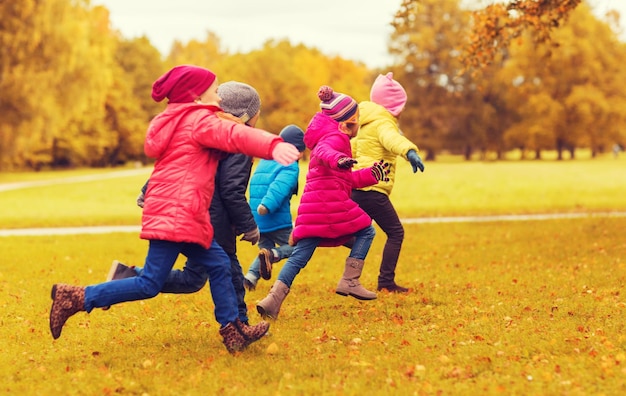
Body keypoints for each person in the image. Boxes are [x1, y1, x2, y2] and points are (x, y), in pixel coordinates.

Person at [48, 65, 300, 354]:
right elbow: (237, 136)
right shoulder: (200, 121)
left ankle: (233, 330)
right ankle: (77, 297)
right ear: (196, 96)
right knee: (150, 283)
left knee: (217, 265)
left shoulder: (182, 121)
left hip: (185, 214)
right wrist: (273, 145)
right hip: (178, 215)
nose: (219, 96)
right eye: (214, 90)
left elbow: (178, 161)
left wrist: (148, 192)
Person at [109, 81, 264, 326]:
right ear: (246, 116)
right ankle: (239, 324)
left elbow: (178, 162)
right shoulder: (239, 140)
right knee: (229, 269)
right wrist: (249, 226)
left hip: (196, 212)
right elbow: (231, 190)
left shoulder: (202, 128)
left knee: (193, 279)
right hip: (212, 218)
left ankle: (126, 277)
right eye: (257, 113)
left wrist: (147, 191)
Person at [256, 85, 390, 320]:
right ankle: (350, 280)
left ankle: (272, 300)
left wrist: (372, 174)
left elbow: (346, 180)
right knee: (367, 231)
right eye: (356, 119)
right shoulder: (334, 139)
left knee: (299, 255)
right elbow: (327, 154)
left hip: (315, 208)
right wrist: (339, 159)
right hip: (330, 205)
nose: (358, 123)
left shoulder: (328, 138)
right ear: (344, 122)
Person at [350, 72, 425, 293]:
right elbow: (392, 140)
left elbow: (353, 148)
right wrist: (409, 151)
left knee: (358, 233)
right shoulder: (383, 123)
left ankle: (350, 278)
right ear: (395, 107)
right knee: (395, 232)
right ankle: (385, 282)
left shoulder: (364, 123)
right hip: (373, 190)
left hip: (357, 188)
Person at [243, 124, 306, 291]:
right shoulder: (289, 164)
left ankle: (250, 277)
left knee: (265, 249)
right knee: (299, 246)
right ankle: (275, 255)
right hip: (274, 217)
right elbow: (279, 187)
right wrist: (267, 205)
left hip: (258, 220)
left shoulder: (266, 160)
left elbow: (256, 185)